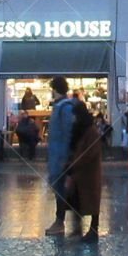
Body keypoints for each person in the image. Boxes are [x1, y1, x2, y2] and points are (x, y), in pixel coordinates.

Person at [66, 99, 103, 242]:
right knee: (77, 200)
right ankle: (78, 229)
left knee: (91, 202)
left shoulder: (90, 130)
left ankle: (93, 230)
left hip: (89, 172)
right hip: (79, 172)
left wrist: (75, 163)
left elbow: (90, 152)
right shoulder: (78, 128)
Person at [44, 76, 75, 236]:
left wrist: (65, 158)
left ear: (55, 89)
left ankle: (60, 221)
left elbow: (67, 133)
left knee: (61, 189)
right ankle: (61, 221)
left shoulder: (64, 107)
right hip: (56, 155)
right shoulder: (60, 106)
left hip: (60, 156)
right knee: (59, 188)